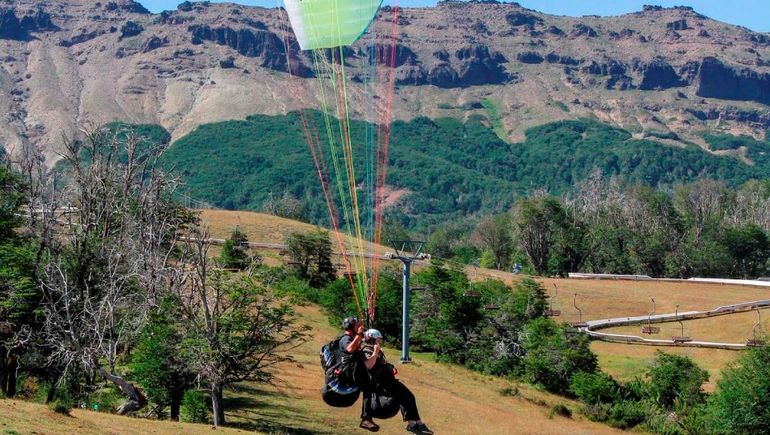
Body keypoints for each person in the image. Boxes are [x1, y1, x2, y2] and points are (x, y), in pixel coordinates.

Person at [363, 329, 434, 435]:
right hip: (381, 385)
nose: (380, 341)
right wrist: (376, 351)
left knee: (409, 397)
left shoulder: (375, 350)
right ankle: (413, 425)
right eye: (378, 339)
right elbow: (369, 366)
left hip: (389, 382)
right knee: (404, 397)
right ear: (372, 339)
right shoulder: (366, 351)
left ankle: (417, 423)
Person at [338, 317, 379, 432]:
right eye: (356, 326)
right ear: (352, 327)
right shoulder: (345, 338)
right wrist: (359, 335)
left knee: (369, 385)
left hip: (354, 372)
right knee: (369, 386)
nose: (358, 328)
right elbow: (350, 349)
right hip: (350, 373)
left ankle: (367, 417)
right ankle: (366, 418)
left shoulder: (352, 338)